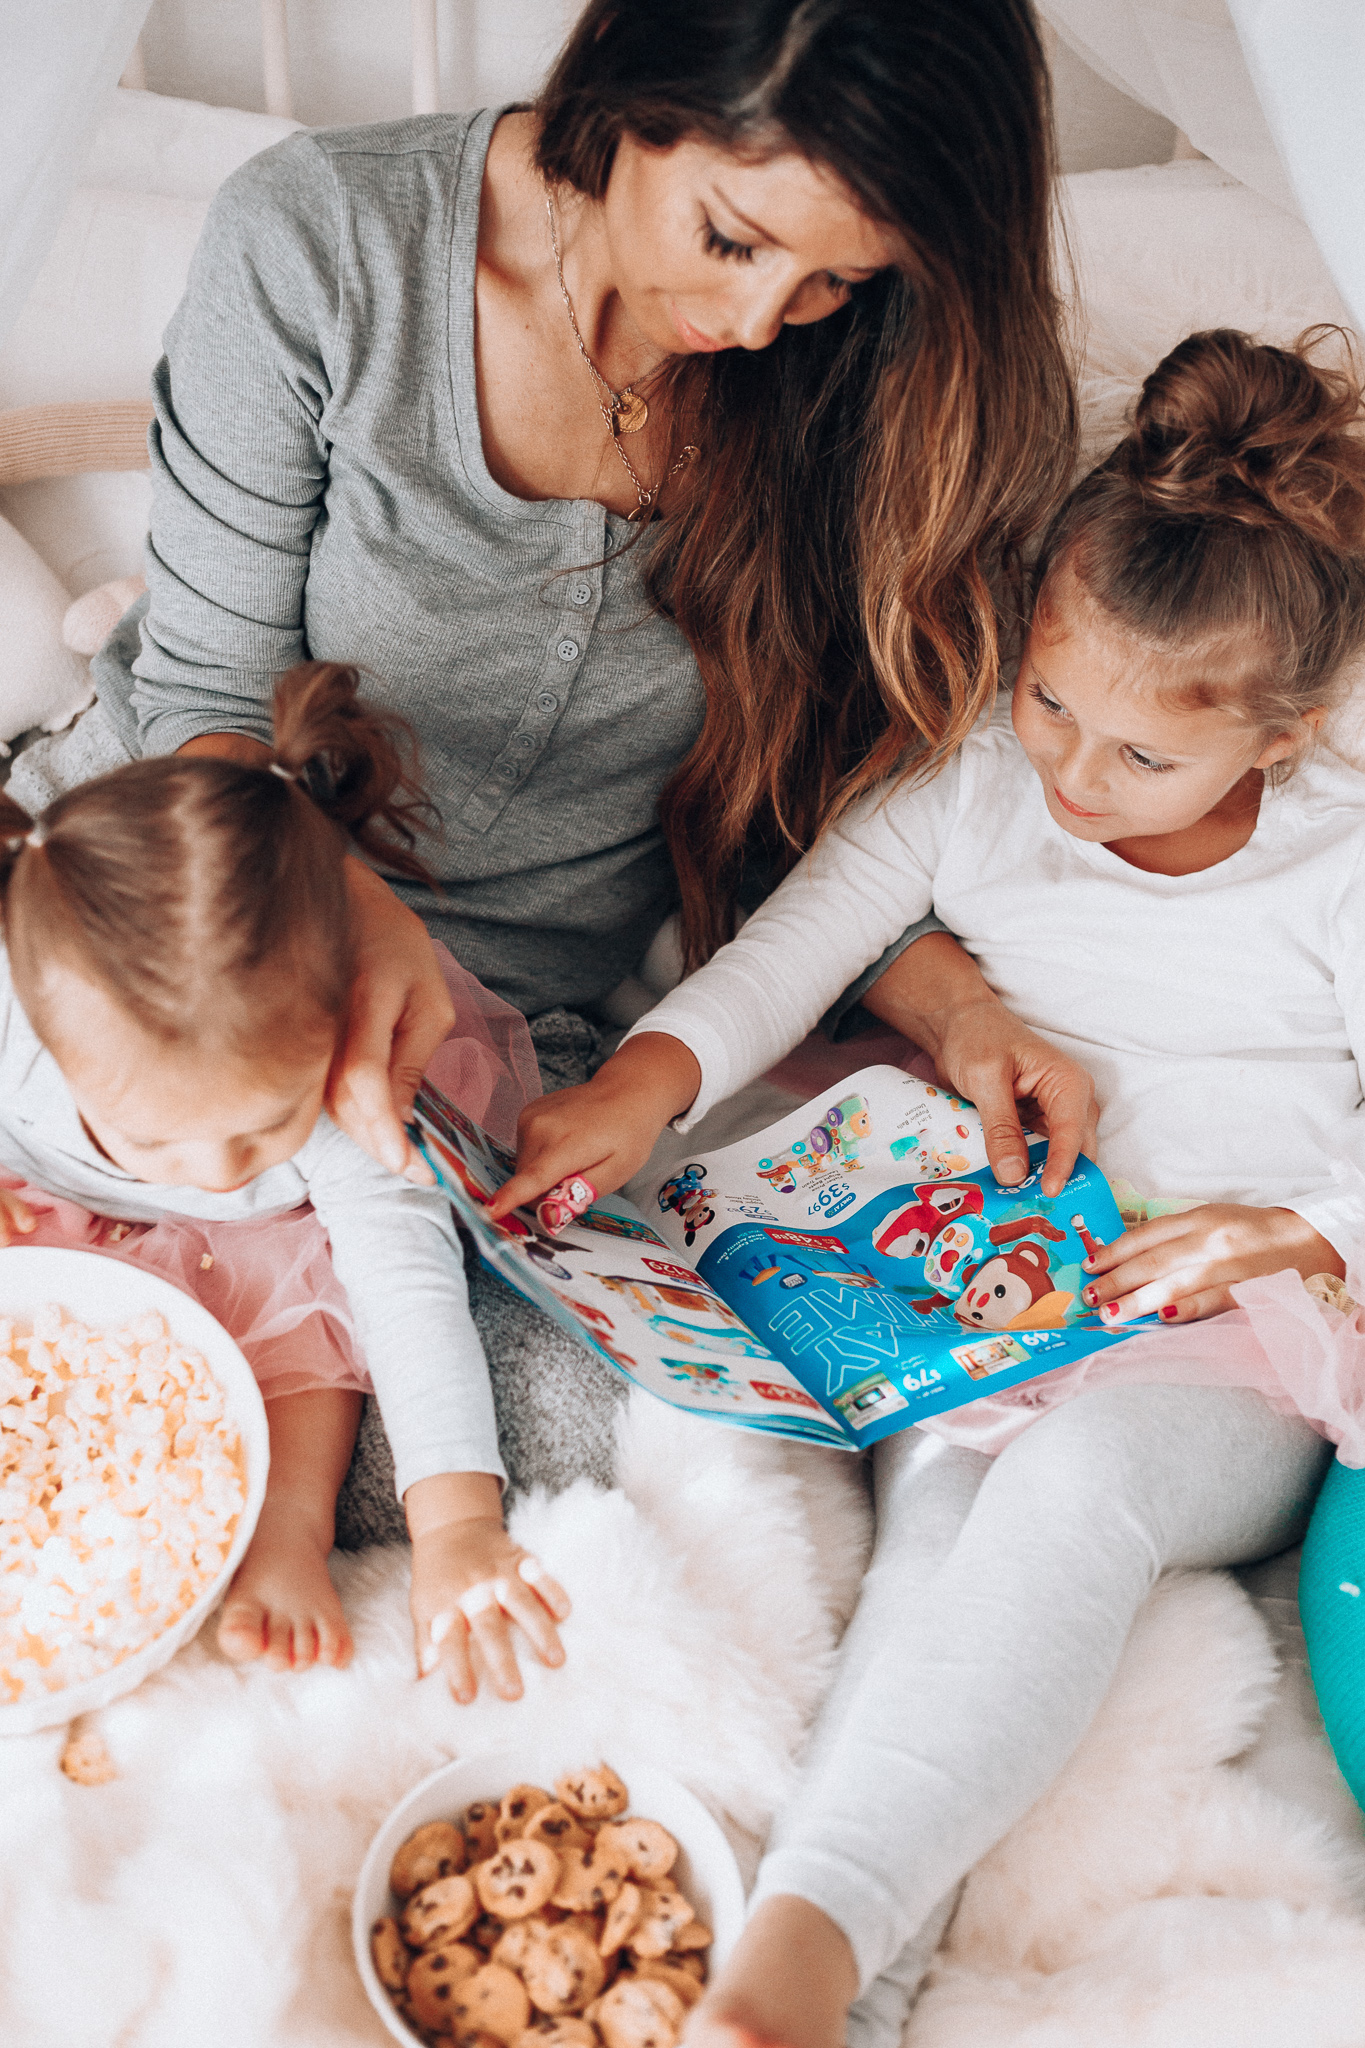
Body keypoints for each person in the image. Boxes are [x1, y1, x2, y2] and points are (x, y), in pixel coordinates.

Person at [36, 0, 1096, 1508]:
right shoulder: (327, 242)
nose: (753, 321)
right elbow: (207, 689)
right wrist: (342, 914)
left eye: (834, 278)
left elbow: (814, 821)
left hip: (494, 1055)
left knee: (588, 1451)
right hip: (186, 900)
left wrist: (963, 1010)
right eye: (730, 236)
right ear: (629, 91)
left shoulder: (882, 381)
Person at [494, 328, 1365, 2046]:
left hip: (1222, 1324)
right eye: (1052, 696)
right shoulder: (973, 783)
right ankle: (838, 1987)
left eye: (1140, 756)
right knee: (933, 1553)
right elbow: (783, 957)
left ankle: (799, 1962)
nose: (1071, 771)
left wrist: (1307, 1225)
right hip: (983, 1287)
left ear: (1284, 727)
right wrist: (626, 1090)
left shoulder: (1338, 857)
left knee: (1079, 1491)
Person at [0, 660, 569, 1702]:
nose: (220, 1170)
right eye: (159, 1137)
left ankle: (286, 1537)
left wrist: (456, 1524)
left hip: (281, 1235)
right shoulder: (19, 1024)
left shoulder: (346, 1095)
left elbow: (409, 1292)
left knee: (311, 1339)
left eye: (266, 1121)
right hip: (56, 1198)